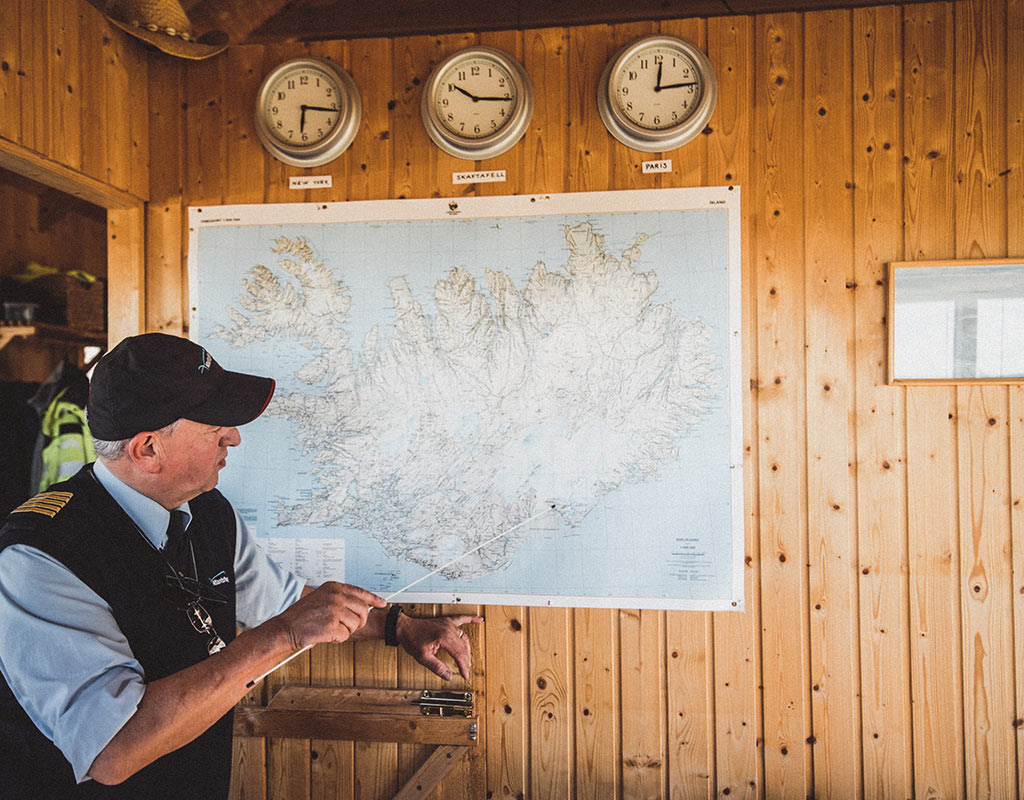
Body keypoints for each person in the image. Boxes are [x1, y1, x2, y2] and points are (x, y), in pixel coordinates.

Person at [0, 333, 481, 798]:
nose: (234, 438)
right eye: (214, 426)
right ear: (147, 448)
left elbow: (289, 602)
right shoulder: (40, 555)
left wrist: (401, 626)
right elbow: (111, 750)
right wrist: (284, 635)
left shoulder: (208, 511)